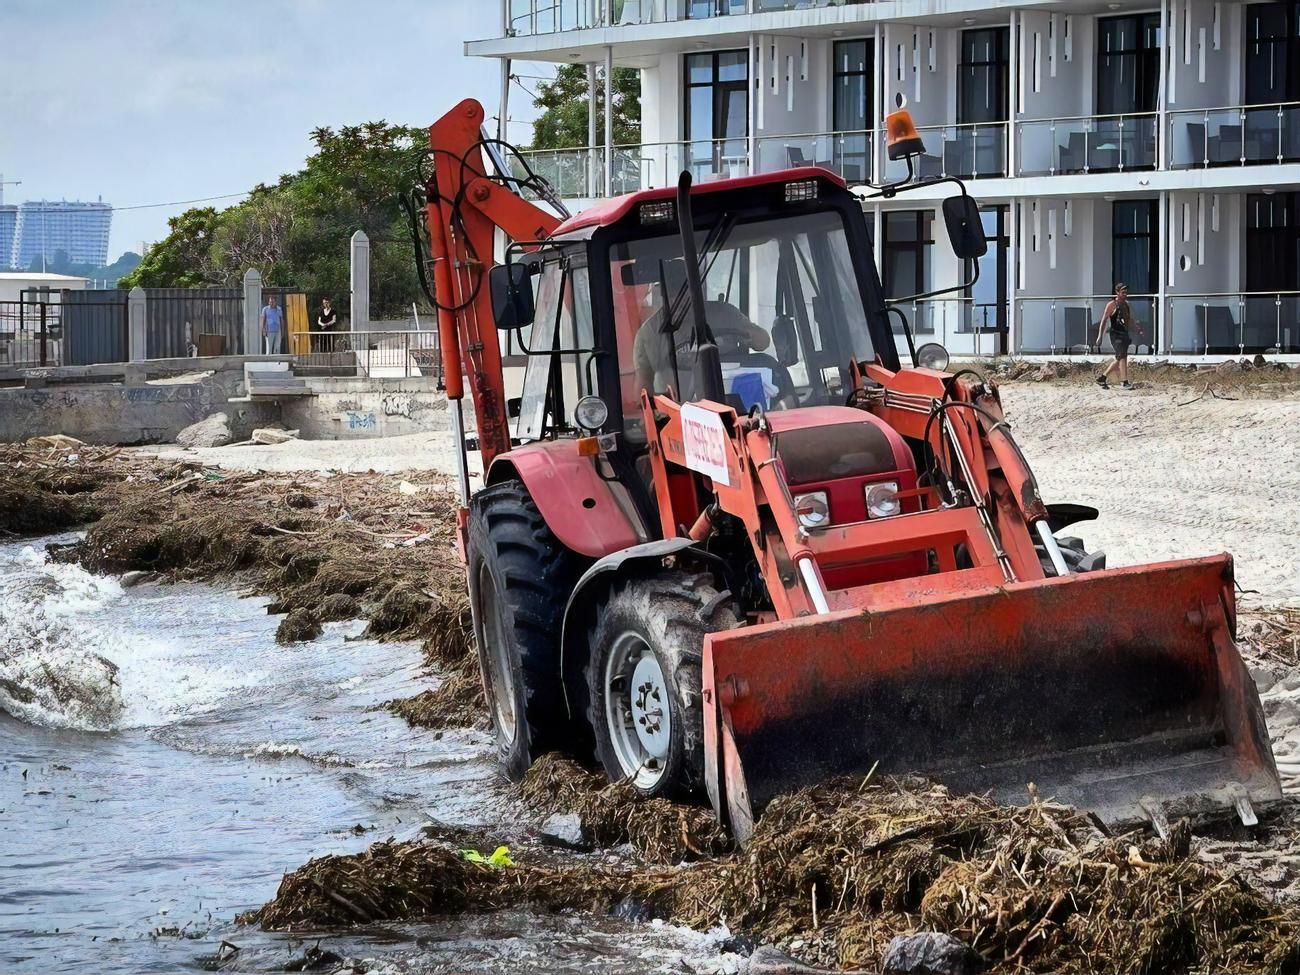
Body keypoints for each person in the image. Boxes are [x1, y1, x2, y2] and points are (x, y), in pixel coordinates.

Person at [1094, 283, 1145, 390]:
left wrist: (1137, 328)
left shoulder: (1126, 305)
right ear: (1117, 292)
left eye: (1126, 292)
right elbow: (1104, 320)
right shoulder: (1111, 305)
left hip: (1124, 333)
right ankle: (1124, 381)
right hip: (1115, 334)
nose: (1125, 294)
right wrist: (1100, 336)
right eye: (1123, 292)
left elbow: (1129, 320)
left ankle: (1102, 378)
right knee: (1122, 356)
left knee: (1120, 358)